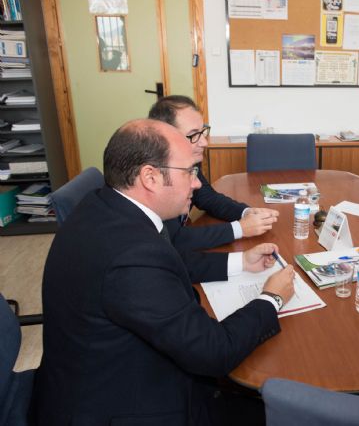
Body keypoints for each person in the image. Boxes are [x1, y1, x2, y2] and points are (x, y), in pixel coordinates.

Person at [34, 119, 295, 425]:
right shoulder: (132, 256)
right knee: (271, 409)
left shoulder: (105, 207)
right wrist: (271, 299)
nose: (197, 184)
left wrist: (242, 263)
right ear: (150, 177)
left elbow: (170, 262)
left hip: (92, 369)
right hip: (115, 406)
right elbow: (212, 352)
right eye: (190, 172)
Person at [149, 95, 279, 249]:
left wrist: (246, 212)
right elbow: (174, 239)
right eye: (194, 134)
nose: (204, 142)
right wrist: (239, 229)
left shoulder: (188, 159)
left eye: (203, 132)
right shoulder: (156, 174)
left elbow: (206, 197)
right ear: (165, 136)